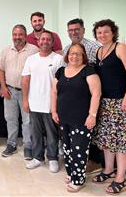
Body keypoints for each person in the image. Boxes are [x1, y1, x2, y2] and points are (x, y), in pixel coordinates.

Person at [92, 19, 126, 195]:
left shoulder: (121, 48)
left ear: (113, 33)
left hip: (119, 102)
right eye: (99, 32)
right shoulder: (98, 51)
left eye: (106, 32)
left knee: (121, 142)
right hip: (103, 102)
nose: (102, 35)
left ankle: (120, 178)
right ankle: (108, 170)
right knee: (106, 140)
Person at [51, 43, 101, 192]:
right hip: (63, 118)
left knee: (79, 149)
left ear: (83, 56)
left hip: (82, 119)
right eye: (72, 53)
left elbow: (96, 94)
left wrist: (92, 115)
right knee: (67, 148)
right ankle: (71, 173)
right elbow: (54, 92)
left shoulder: (89, 71)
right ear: (67, 56)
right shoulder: (60, 71)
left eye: (78, 54)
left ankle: (78, 180)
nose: (74, 56)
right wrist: (53, 111)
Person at [64, 18, 103, 174]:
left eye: (76, 29)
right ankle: (77, 162)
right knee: (75, 137)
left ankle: (94, 162)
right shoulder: (68, 48)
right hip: (73, 99)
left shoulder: (94, 47)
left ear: (83, 30)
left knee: (91, 130)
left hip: (90, 96)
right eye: (70, 30)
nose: (74, 32)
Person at [22, 30, 63, 172]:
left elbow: (60, 83)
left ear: (52, 42)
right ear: (38, 42)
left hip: (50, 104)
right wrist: (25, 101)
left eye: (48, 39)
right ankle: (37, 158)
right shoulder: (31, 59)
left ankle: (53, 158)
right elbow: (25, 81)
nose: (45, 41)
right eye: (42, 39)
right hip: (34, 103)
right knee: (36, 133)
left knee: (52, 134)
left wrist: (56, 105)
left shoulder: (58, 59)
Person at [0, 24, 38, 159]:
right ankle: (11, 144)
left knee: (27, 120)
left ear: (25, 35)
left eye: (20, 34)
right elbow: (0, 69)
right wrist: (3, 87)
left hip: (27, 92)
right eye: (15, 34)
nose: (17, 37)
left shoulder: (34, 50)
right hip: (10, 91)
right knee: (10, 119)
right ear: (12, 36)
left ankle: (28, 146)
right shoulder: (6, 50)